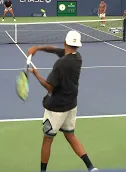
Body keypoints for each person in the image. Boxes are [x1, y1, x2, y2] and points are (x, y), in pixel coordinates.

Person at [27, 31, 99, 172]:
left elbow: (49, 87)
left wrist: (36, 74)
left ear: (65, 42)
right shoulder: (77, 57)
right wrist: (38, 48)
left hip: (56, 108)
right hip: (71, 105)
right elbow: (55, 50)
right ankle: (91, 167)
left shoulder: (60, 64)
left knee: (47, 139)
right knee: (70, 135)